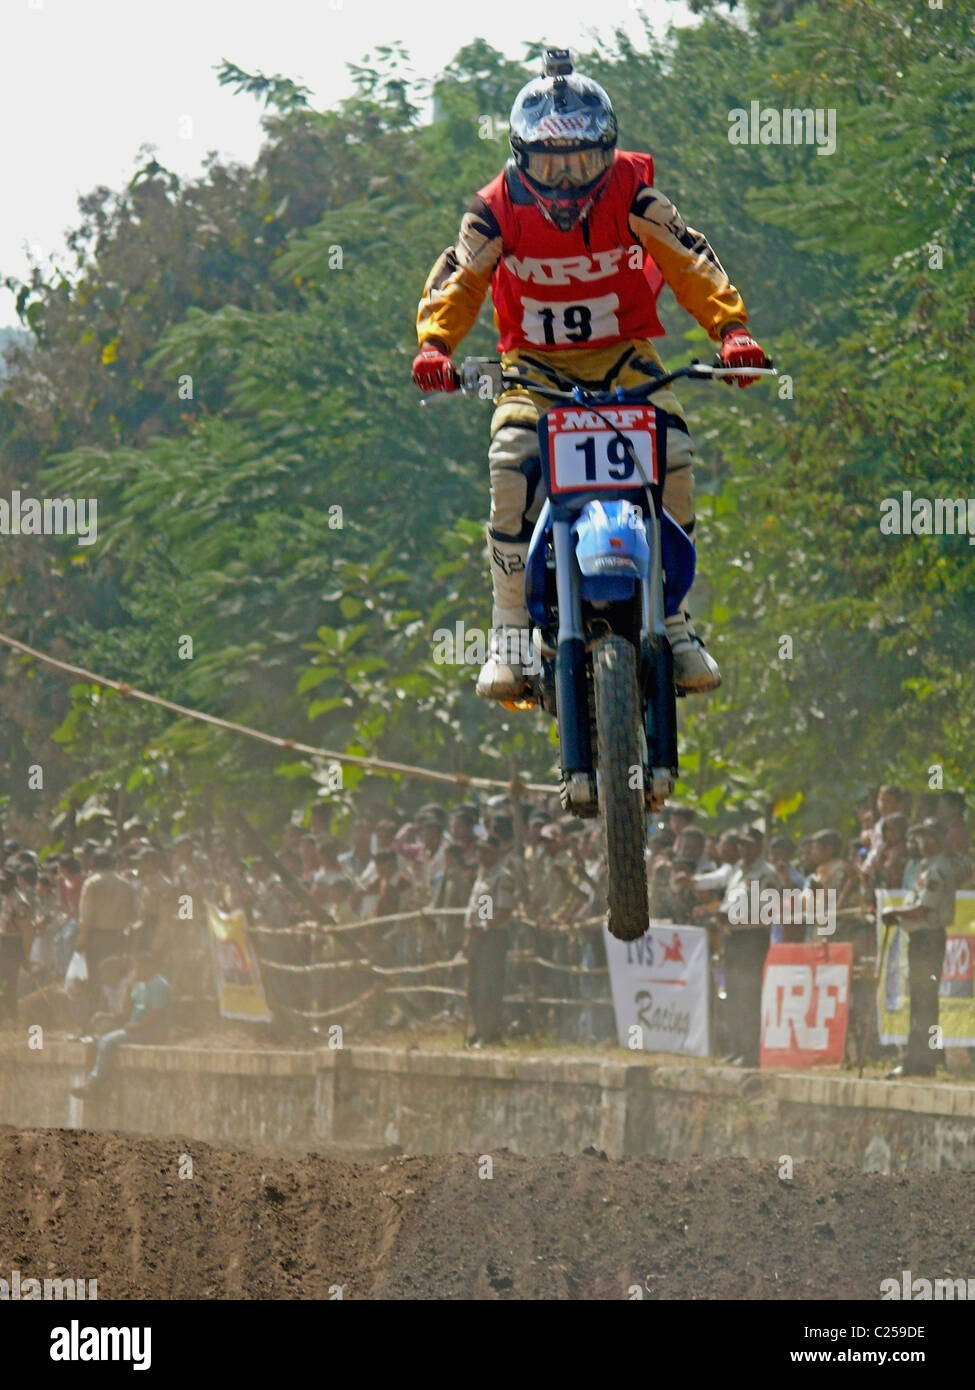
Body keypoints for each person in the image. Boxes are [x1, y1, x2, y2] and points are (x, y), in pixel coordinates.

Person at [412, 49, 766, 700]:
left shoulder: (636, 196)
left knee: (676, 457)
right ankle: (511, 632)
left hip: (624, 361)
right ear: (522, 159)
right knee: (510, 462)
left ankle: (673, 621)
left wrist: (732, 333)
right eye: (550, 163)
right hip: (534, 371)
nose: (567, 181)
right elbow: (457, 282)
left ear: (607, 153)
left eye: (582, 161)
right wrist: (435, 346)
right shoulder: (493, 211)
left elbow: (691, 263)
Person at [881, 819, 956, 1079]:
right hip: (922, 938)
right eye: (921, 836)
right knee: (921, 999)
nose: (923, 842)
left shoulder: (937, 870)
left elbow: (924, 908)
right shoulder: (926, 867)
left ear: (938, 839)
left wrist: (895, 912)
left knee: (924, 1000)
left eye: (929, 836)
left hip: (928, 938)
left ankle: (920, 1061)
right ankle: (920, 1060)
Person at [717, 828, 780, 1066]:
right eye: (741, 844)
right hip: (733, 939)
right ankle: (737, 1048)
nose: (744, 849)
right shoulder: (736, 872)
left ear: (760, 846)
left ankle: (751, 1053)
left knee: (749, 996)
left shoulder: (767, 874)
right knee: (732, 994)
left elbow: (768, 914)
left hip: (752, 940)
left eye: (749, 844)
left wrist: (735, 921)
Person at [70, 953, 172, 1097]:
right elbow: (125, 1012)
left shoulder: (159, 984)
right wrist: (130, 988)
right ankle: (100, 1080)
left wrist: (137, 1026)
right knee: (98, 1039)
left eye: (139, 967)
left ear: (150, 967)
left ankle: (93, 1084)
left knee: (106, 1042)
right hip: (135, 1028)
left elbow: (156, 1013)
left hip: (151, 1031)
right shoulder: (141, 984)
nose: (136, 970)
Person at [461, 835, 516, 1046]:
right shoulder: (481, 876)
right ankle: (479, 1029)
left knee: (489, 987)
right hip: (478, 936)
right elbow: (479, 910)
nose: (481, 855)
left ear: (495, 853)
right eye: (480, 851)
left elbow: (504, 910)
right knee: (475, 986)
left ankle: (490, 1033)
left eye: (486, 851)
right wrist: (470, 937)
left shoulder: (502, 877)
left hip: (493, 937)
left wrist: (484, 927)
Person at [75, 847, 137, 1020]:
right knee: (117, 978)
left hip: (97, 936)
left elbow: (86, 916)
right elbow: (134, 913)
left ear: (93, 863)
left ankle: (94, 1017)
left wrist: (81, 940)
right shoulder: (126, 884)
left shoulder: (92, 883)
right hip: (119, 936)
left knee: (95, 978)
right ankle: (118, 1015)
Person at [0, 868, 33, 1024]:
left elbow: (26, 931)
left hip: (12, 946)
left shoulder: (19, 902)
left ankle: (13, 1018)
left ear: (11, 883)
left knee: (9, 985)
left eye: (3, 882)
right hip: (4, 942)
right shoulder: (7, 898)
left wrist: (25, 955)